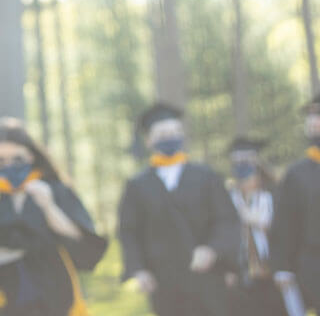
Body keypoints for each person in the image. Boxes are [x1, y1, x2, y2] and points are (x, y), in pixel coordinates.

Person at [0, 118, 106, 316]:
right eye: (1, 161)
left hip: (55, 302)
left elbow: (89, 251)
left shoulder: (56, 191)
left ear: (31, 156)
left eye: (17, 159)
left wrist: (49, 208)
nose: (9, 166)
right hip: (2, 305)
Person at [117, 102, 240, 316]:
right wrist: (139, 269)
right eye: (163, 134)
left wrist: (213, 249)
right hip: (164, 282)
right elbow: (128, 231)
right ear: (149, 140)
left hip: (208, 278)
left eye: (176, 132)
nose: (170, 138)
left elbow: (227, 219)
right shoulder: (137, 185)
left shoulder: (206, 176)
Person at [224, 136, 287, 316]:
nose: (242, 165)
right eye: (236, 161)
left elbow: (288, 233)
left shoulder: (275, 194)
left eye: (247, 160)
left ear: (258, 162)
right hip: (241, 276)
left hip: (274, 274)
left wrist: (257, 221)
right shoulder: (226, 197)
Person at [269, 94, 320, 315]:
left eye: (317, 116)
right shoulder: (297, 174)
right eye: (310, 117)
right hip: (314, 264)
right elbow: (284, 224)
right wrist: (282, 267)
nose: (313, 122)